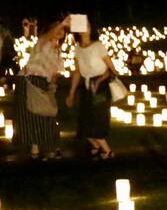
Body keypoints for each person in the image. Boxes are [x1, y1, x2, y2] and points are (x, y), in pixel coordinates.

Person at [14, 16, 68, 159]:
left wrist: (52, 86)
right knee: (31, 115)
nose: (60, 31)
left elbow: (55, 72)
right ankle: (36, 148)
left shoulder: (58, 51)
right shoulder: (42, 42)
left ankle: (48, 146)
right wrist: (63, 22)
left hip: (42, 82)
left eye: (63, 30)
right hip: (29, 80)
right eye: (58, 29)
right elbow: (48, 35)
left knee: (45, 112)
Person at [67, 24, 118, 159]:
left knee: (98, 118)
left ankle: (107, 151)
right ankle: (96, 146)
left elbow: (112, 69)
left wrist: (100, 80)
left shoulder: (98, 46)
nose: (84, 29)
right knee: (84, 119)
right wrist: (71, 92)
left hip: (100, 86)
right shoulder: (77, 48)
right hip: (86, 85)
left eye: (87, 26)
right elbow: (77, 71)